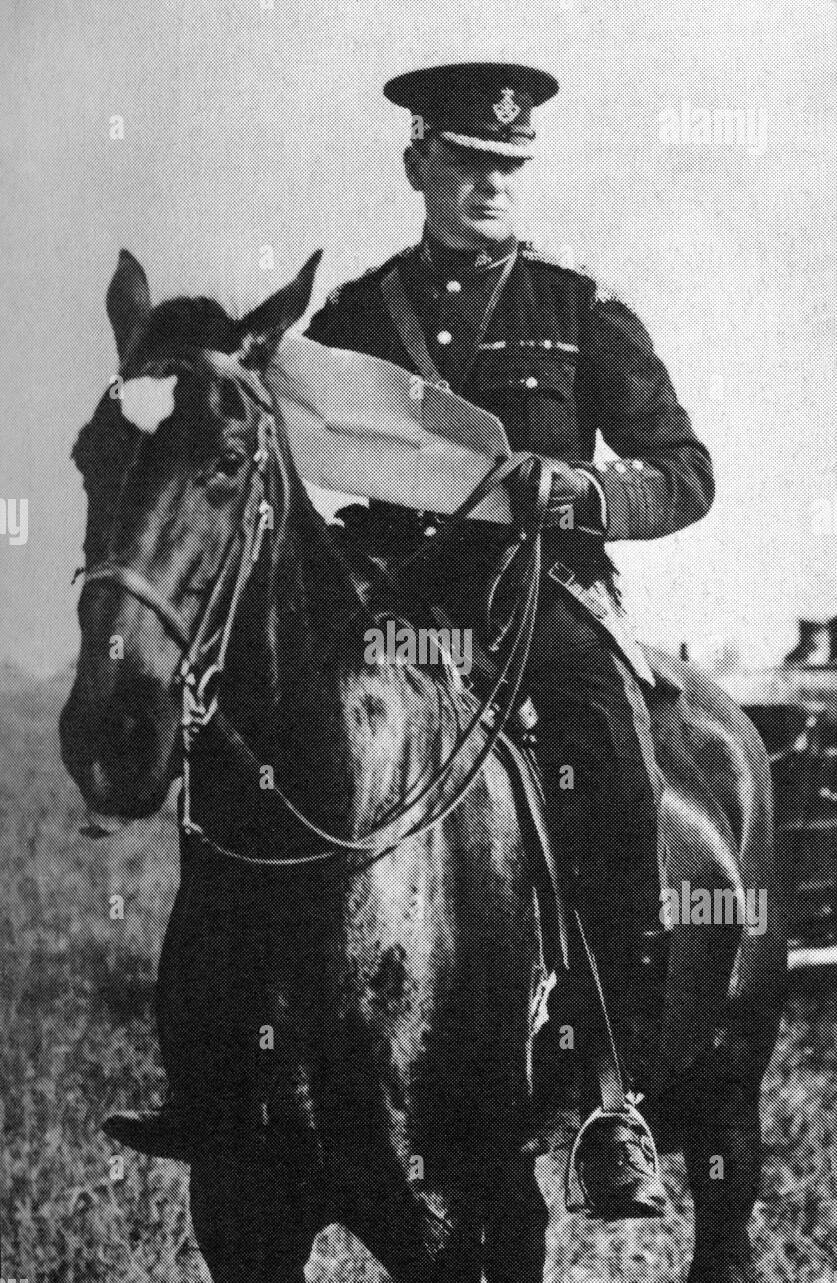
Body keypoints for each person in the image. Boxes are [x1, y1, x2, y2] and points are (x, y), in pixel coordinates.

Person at [108, 62, 714, 1219]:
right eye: (469, 161)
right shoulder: (356, 321)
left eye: (509, 165)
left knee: (611, 768)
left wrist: (583, 489)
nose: (491, 183)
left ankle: (606, 1090)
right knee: (244, 740)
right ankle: (220, 1066)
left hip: (539, 597)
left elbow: (686, 472)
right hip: (393, 603)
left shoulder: (579, 309)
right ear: (419, 164)